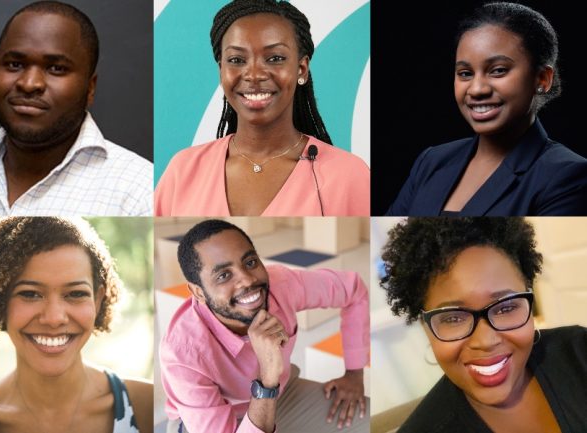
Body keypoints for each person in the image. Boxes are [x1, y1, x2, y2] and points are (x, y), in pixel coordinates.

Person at [154, 0, 370, 217]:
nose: (255, 75)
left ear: (301, 69)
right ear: (222, 71)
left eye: (275, 58)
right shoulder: (183, 170)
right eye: (237, 59)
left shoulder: (348, 176)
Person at [0, 217, 153, 433]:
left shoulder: (150, 408)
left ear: (97, 300)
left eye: (76, 294)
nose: (54, 317)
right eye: (30, 294)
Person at [0, 1, 153, 216]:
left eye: (56, 68)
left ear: (90, 88)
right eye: (14, 64)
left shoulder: (142, 193)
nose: (29, 84)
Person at [159, 219, 370, 432]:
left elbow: (353, 290)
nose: (248, 280)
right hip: (211, 421)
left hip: (280, 395)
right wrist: (267, 378)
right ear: (198, 292)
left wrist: (354, 373)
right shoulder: (181, 352)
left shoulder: (282, 285)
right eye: (224, 275)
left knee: (364, 419)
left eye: (250, 262)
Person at [379, 217, 587, 432]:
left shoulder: (579, 349)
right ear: (425, 326)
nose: (486, 341)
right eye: (453, 318)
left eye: (506, 308)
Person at [386, 2, 587, 216]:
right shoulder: (432, 161)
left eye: (498, 71)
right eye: (465, 73)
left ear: (542, 79)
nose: (477, 89)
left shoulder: (567, 176)